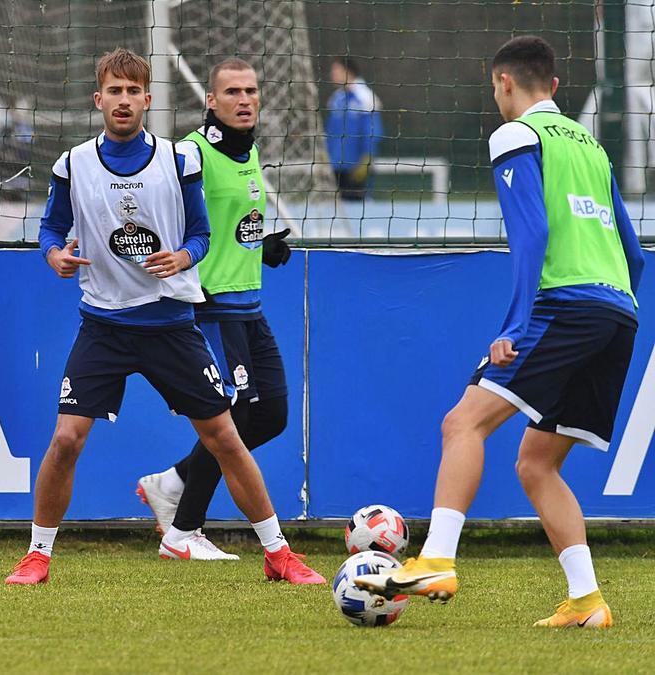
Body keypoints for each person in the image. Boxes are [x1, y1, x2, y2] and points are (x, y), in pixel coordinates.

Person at [5, 48, 324, 586]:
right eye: (115, 91)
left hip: (171, 322)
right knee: (65, 440)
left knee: (227, 434)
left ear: (147, 100)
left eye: (134, 92)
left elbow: (200, 233)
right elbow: (50, 230)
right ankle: (37, 555)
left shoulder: (179, 161)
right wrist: (54, 254)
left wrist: (183, 256)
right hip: (103, 325)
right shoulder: (73, 163)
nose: (124, 101)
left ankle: (278, 553)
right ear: (98, 99)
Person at [356, 36, 645, 629]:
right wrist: (618, 301)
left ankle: (436, 557)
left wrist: (514, 325)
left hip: (564, 305)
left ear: (505, 83)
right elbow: (634, 251)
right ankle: (588, 602)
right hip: (619, 313)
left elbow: (531, 235)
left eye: (494, 89)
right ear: (556, 87)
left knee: (462, 422)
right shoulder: (592, 146)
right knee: (537, 463)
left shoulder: (516, 135)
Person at [133, 58, 319, 581]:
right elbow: (162, 213)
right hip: (212, 309)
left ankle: (171, 484)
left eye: (252, 91)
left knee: (271, 415)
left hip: (249, 307)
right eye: (232, 92)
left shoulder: (249, 149)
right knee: (229, 421)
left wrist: (263, 247)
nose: (244, 99)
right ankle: (182, 532)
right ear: (210, 101)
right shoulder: (190, 153)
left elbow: (229, 225)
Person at [324, 57, 382, 201]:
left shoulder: (365, 97)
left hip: (356, 167)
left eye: (336, 70)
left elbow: (373, 131)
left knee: (358, 208)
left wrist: (366, 158)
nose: (332, 74)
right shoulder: (336, 99)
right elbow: (330, 131)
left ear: (348, 72)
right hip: (335, 166)